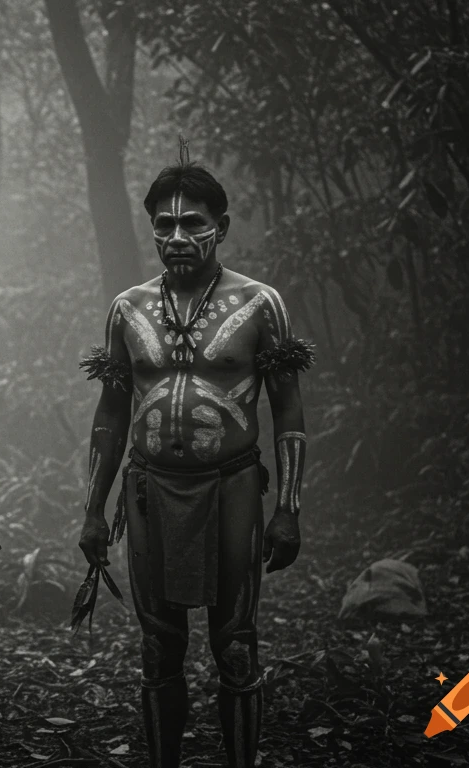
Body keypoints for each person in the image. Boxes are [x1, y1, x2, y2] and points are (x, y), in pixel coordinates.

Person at [75, 152, 313, 768]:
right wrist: (93, 510)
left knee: (235, 646)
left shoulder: (261, 305)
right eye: (164, 224)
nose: (177, 236)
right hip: (150, 491)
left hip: (232, 488)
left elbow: (288, 411)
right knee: (159, 650)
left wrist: (287, 508)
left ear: (223, 227)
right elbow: (111, 415)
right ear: (152, 227)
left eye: (193, 223)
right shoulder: (127, 309)